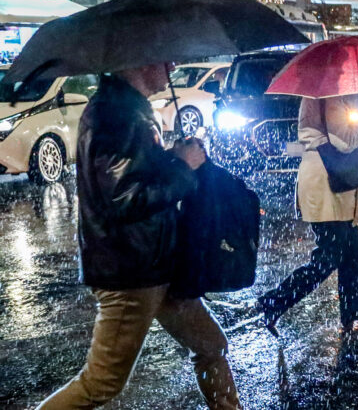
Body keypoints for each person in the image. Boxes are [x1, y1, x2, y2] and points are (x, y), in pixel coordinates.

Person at [39, 64, 241, 410]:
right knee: (100, 383)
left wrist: (172, 157)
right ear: (140, 60)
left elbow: (136, 173)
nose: (172, 66)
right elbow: (123, 198)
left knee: (211, 345)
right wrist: (183, 168)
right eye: (165, 57)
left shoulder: (129, 108)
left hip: (158, 264)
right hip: (132, 271)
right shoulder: (114, 115)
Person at [257, 94, 358, 335]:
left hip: (334, 184)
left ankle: (355, 310)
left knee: (352, 252)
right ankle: (274, 301)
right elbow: (344, 142)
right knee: (327, 258)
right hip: (327, 186)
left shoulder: (330, 95)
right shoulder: (329, 96)